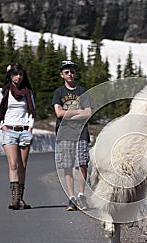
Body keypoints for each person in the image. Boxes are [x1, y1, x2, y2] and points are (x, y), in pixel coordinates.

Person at [0, 63, 35, 210]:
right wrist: (3, 126)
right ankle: (15, 199)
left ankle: (21, 199)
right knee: (13, 164)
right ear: (10, 76)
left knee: (23, 166)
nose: (18, 77)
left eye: (20, 74)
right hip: (9, 130)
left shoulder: (27, 92)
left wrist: (30, 127)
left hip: (24, 130)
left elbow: (31, 111)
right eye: (15, 74)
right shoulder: (2, 91)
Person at [52, 60, 92, 211]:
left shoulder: (82, 91)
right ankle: (71, 197)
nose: (70, 74)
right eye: (66, 72)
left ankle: (81, 194)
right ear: (62, 74)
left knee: (82, 163)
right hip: (65, 134)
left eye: (72, 72)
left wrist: (68, 114)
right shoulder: (59, 92)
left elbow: (88, 112)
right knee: (67, 165)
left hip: (81, 132)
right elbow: (58, 113)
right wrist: (78, 113)